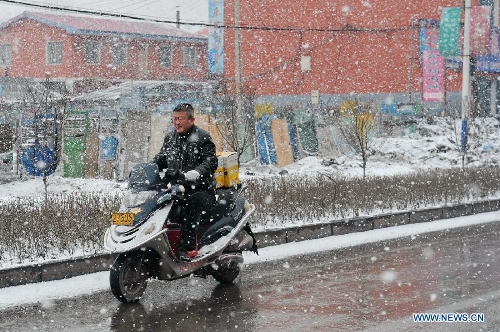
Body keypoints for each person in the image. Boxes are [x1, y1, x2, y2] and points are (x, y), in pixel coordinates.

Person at [152, 103, 218, 261]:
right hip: (178, 188)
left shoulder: (203, 137)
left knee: (192, 203)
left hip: (202, 189)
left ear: (192, 119)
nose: (176, 122)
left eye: (180, 118)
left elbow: (211, 161)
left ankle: (185, 248)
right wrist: (148, 168)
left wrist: (197, 172)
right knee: (157, 203)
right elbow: (161, 159)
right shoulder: (170, 138)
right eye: (174, 119)